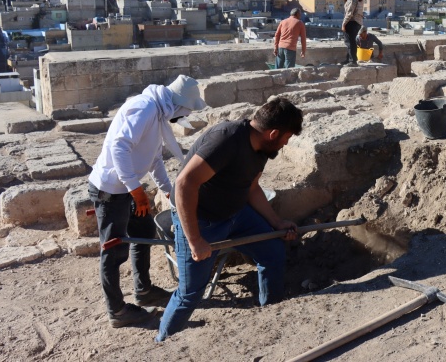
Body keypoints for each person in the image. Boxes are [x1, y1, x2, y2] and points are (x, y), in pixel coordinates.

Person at [156, 97, 303, 342]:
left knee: (273, 252)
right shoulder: (226, 139)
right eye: (286, 138)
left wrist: (276, 223)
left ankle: (273, 315)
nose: (286, 144)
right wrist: (195, 240)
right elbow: (184, 185)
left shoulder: (263, 148)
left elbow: (252, 188)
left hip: (235, 215)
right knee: (190, 293)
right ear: (273, 133)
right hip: (199, 219)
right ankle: (163, 344)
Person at [88, 75, 207, 328]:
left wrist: (168, 190)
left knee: (143, 231)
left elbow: (153, 159)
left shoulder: (158, 114)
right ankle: (117, 311)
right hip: (111, 190)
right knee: (113, 250)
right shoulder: (144, 107)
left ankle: (143, 290)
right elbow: (119, 147)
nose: (184, 115)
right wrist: (136, 190)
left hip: (128, 189)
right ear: (178, 104)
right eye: (186, 110)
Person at [340, 0, 364, 66]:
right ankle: (349, 59)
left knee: (349, 42)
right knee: (351, 41)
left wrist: (343, 24)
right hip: (358, 22)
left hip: (352, 22)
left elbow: (349, 13)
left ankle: (352, 61)